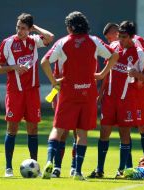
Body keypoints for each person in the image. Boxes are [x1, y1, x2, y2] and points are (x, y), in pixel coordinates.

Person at [40, 11, 119, 180]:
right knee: (82, 133)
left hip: (68, 93)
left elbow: (44, 62)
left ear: (69, 27)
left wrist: (54, 81)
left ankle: (49, 162)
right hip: (88, 93)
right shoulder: (95, 41)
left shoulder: (62, 42)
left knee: (58, 129)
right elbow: (115, 55)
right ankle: (77, 171)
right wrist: (103, 74)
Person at [89, 21, 144, 179]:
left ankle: (121, 170)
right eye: (119, 36)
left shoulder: (139, 53)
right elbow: (107, 72)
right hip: (109, 99)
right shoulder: (114, 47)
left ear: (131, 37)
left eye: (123, 37)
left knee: (124, 134)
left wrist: (135, 75)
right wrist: (101, 92)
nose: (120, 40)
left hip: (126, 100)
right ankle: (99, 169)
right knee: (104, 133)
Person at [0, 13, 54, 177]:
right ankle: (8, 168)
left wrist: (34, 28)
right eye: (18, 27)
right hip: (15, 92)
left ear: (29, 29)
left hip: (32, 92)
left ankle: (34, 166)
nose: (19, 31)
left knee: (33, 128)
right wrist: (13, 67)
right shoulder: (7, 43)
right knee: (12, 128)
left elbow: (50, 37)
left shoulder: (34, 41)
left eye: (23, 28)